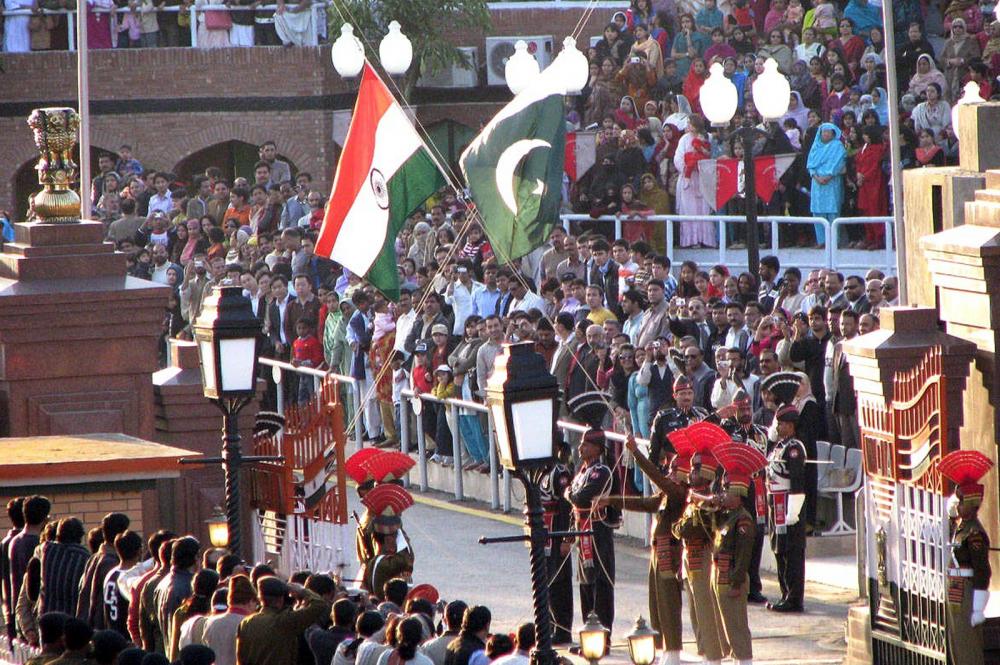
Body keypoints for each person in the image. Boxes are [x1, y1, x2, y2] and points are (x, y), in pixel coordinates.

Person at [605, 436, 687, 665]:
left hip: (669, 552)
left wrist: (636, 453)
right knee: (657, 602)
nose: (669, 473)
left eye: (674, 470)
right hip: (657, 550)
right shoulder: (666, 494)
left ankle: (673, 650)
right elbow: (644, 503)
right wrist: (610, 500)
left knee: (669, 603)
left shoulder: (679, 493)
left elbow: (658, 479)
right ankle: (664, 647)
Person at [710, 442, 767, 665]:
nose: (723, 495)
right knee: (724, 625)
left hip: (732, 578)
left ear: (738, 495)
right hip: (720, 576)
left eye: (727, 491)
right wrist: (714, 509)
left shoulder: (743, 520)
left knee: (736, 626)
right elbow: (714, 534)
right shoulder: (727, 516)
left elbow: (744, 556)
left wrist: (735, 583)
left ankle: (744, 660)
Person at [939, 450, 993, 665]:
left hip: (969, 588)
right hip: (955, 587)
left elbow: (982, 571)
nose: (956, 504)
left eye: (960, 500)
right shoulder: (960, 527)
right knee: (956, 640)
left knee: (968, 643)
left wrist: (979, 606)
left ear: (968, 504)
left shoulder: (974, 533)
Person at [566, 429, 615, 636]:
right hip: (581, 530)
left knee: (600, 583)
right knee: (585, 584)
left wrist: (569, 493)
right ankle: (588, 636)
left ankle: (602, 635)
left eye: (586, 444)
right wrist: (568, 537)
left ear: (597, 448)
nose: (580, 447)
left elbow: (581, 497)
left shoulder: (601, 471)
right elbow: (574, 505)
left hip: (597, 533)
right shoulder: (582, 471)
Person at [765, 404, 807, 613]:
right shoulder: (779, 445)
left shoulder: (794, 448)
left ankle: (794, 598)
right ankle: (785, 593)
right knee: (779, 550)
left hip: (789, 505)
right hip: (776, 503)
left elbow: (798, 481)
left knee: (792, 553)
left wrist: (794, 511)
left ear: (790, 426)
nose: (777, 427)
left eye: (780, 423)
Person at [236, 577, 331, 665]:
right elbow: (320, 604)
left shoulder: (246, 623)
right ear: (281, 599)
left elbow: (241, 660)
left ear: (260, 598)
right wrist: (302, 590)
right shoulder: (284, 621)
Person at [540, 443, 574, 645]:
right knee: (545, 580)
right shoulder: (540, 470)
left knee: (559, 581)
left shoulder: (559, 472)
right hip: (544, 532)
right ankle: (550, 625)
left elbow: (566, 507)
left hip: (556, 532)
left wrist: (565, 538)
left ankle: (562, 629)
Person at [806, 123, 847, 246]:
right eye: (824, 132)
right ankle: (821, 241)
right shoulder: (815, 147)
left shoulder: (838, 146)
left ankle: (834, 241)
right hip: (817, 183)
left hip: (832, 182)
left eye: (829, 132)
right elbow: (810, 165)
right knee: (817, 211)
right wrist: (816, 177)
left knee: (833, 211)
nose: (826, 134)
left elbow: (839, 163)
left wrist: (829, 176)